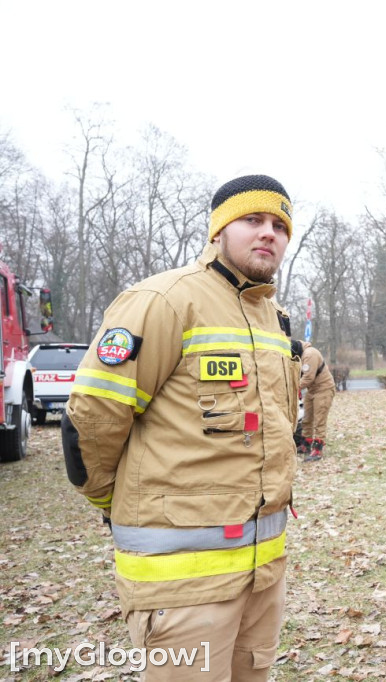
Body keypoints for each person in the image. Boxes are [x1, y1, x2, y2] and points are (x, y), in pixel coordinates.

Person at [62, 174, 301, 680]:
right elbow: (91, 422)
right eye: (253, 220)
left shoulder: (273, 320)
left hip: (261, 575)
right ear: (219, 230)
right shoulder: (164, 300)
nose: (268, 234)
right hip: (181, 586)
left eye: (280, 225)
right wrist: (116, 502)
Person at [297, 340, 335, 461]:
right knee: (307, 418)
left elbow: (308, 377)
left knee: (319, 420)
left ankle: (318, 449)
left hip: (324, 389)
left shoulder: (309, 354)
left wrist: (294, 388)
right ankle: (306, 444)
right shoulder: (301, 355)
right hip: (312, 390)